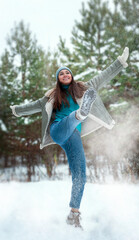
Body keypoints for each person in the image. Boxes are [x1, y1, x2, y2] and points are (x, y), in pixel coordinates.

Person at [10, 47, 129, 229]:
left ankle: (74, 214)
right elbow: (33, 106)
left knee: (81, 174)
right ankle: (79, 114)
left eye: (67, 72)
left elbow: (104, 76)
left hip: (73, 135)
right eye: (61, 74)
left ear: (71, 76)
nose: (65, 74)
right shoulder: (51, 96)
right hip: (58, 130)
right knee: (70, 119)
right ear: (58, 79)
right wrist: (17, 110)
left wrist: (119, 63)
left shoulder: (83, 88)